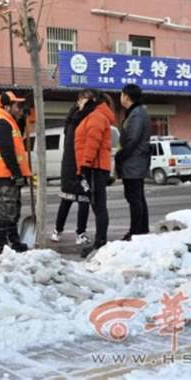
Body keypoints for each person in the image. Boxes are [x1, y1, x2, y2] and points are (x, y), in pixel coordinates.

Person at [0, 91, 31, 255]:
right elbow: (7, 151)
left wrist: (24, 120)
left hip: (7, 175)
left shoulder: (7, 121)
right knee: (4, 212)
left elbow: (17, 138)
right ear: (7, 106)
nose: (19, 108)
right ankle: (2, 247)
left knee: (13, 211)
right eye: (17, 106)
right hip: (3, 175)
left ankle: (14, 242)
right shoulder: (1, 122)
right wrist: (17, 174)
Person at [74, 90, 116, 258]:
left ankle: (100, 242)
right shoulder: (92, 115)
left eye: (81, 99)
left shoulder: (97, 116)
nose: (79, 102)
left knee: (98, 205)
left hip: (94, 167)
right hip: (93, 166)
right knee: (97, 205)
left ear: (90, 99)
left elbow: (93, 141)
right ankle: (100, 241)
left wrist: (85, 165)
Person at [49, 90, 93, 245]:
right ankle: (80, 233)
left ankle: (57, 231)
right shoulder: (80, 116)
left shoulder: (71, 116)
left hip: (68, 162)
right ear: (81, 100)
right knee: (83, 198)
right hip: (77, 162)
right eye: (87, 100)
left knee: (67, 199)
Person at [115, 83, 152, 241]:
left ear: (127, 97)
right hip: (136, 160)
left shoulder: (136, 114)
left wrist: (120, 155)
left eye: (121, 94)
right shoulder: (139, 112)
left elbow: (133, 139)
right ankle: (142, 230)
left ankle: (136, 232)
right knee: (138, 198)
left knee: (134, 198)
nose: (120, 97)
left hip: (133, 161)